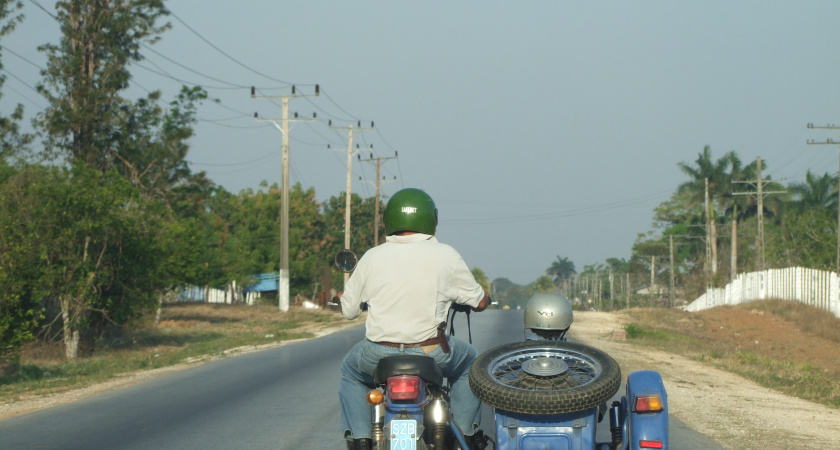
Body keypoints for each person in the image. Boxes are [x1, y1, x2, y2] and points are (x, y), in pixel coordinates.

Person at [338, 188, 490, 450]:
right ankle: (465, 434)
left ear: (390, 219)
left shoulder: (372, 257)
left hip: (377, 354)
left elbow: (349, 310)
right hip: (431, 352)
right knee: (471, 364)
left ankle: (361, 439)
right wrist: (483, 297)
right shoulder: (446, 255)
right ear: (432, 219)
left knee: (350, 373)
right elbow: (479, 301)